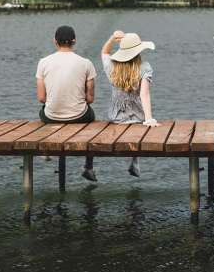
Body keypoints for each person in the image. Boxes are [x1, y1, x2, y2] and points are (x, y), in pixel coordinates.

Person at [86, 30, 158, 181]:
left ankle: (88, 165)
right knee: (139, 125)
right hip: (138, 116)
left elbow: (104, 52)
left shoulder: (112, 67)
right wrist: (149, 119)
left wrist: (112, 38)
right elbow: (144, 95)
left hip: (115, 117)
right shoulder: (144, 67)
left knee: (96, 136)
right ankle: (134, 161)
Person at [36, 25, 96, 126]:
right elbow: (90, 99)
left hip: (51, 117)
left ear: (55, 41)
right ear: (74, 41)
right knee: (90, 112)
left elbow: (41, 98)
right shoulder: (86, 63)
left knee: (42, 111)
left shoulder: (43, 62)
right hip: (80, 116)